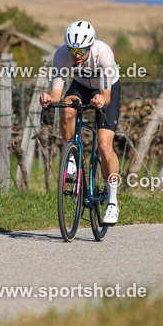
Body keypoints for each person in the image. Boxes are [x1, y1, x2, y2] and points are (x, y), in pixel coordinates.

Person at [39, 20, 122, 224]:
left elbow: (106, 94)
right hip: (81, 86)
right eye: (73, 50)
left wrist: (101, 100)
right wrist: (50, 98)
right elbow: (57, 91)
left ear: (91, 45)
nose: (76, 55)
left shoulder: (104, 53)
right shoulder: (61, 54)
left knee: (104, 145)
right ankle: (72, 158)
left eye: (81, 50)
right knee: (67, 111)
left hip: (107, 88)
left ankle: (112, 202)